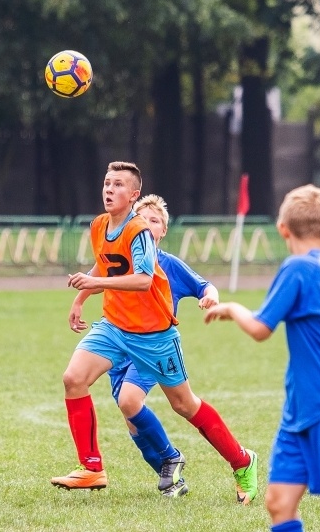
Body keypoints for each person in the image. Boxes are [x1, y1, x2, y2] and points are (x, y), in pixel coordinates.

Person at [50, 161, 258, 505]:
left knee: (185, 405)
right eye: (106, 182)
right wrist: (80, 298)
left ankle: (242, 461)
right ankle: (92, 467)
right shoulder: (99, 226)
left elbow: (143, 279)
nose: (108, 189)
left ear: (133, 196)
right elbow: (104, 264)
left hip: (154, 338)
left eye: (117, 184)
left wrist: (94, 283)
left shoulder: (140, 233)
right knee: (73, 378)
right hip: (114, 327)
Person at [204, 184, 320, 532]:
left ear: (282, 229)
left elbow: (261, 328)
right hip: (302, 409)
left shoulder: (297, 268)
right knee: (279, 502)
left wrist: (231, 307)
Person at [69, 193, 220, 497]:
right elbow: (98, 270)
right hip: (118, 343)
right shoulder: (120, 254)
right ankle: (171, 478)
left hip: (152, 346)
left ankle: (173, 457)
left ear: (163, 231)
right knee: (133, 424)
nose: (148, 225)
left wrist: (211, 296)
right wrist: (80, 299)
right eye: (143, 219)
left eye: (155, 221)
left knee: (132, 401)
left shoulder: (168, 265)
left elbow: (204, 284)